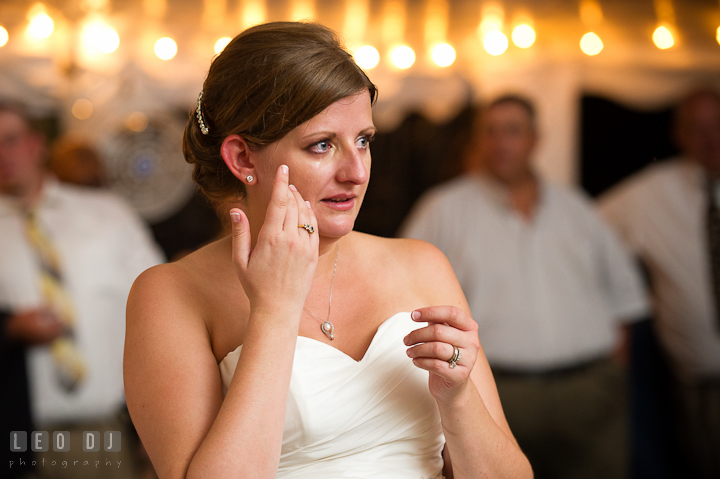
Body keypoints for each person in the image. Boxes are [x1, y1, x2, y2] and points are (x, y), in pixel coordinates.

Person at [123, 22, 532, 479]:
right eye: (322, 146)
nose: (356, 172)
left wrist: (458, 400)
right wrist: (274, 312)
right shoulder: (170, 294)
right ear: (242, 159)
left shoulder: (422, 264)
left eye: (364, 140)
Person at [400, 95, 649, 479]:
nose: (501, 142)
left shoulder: (577, 209)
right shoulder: (443, 209)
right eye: (491, 131)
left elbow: (626, 299)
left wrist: (608, 373)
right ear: (478, 140)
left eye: (513, 131)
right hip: (496, 395)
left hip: (589, 394)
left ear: (535, 139)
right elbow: (403, 295)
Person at [0, 101, 164, 478]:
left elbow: (159, 304)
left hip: (110, 428)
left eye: (11, 139)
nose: (3, 153)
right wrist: (9, 328)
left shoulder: (107, 214)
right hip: (20, 439)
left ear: (36, 144)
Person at [599, 88, 720, 479]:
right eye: (697, 128)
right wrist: (625, 296)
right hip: (696, 385)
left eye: (718, 125)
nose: (711, 137)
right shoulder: (648, 194)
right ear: (678, 136)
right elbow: (584, 233)